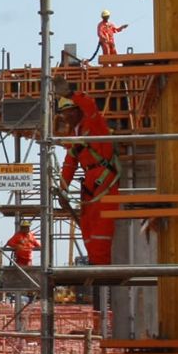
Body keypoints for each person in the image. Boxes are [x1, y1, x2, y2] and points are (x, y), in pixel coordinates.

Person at [58, 92, 122, 265]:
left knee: (101, 225)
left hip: (104, 177)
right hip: (90, 181)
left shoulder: (94, 124)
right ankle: (95, 261)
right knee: (87, 225)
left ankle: (101, 263)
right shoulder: (74, 136)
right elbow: (69, 164)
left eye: (71, 110)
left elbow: (91, 107)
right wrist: (62, 189)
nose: (67, 116)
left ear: (79, 110)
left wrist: (72, 93)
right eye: (64, 113)